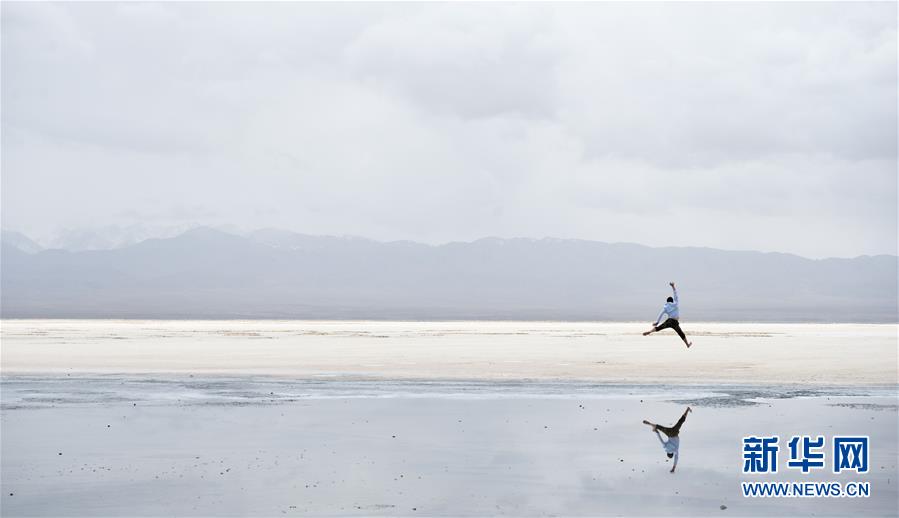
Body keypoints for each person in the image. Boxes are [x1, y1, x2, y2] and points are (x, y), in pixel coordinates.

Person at [643, 407, 692, 473]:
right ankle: (653, 426)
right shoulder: (665, 447)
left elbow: (676, 459)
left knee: (681, 421)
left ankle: (687, 410)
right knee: (659, 427)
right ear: (667, 453)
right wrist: (656, 432)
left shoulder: (675, 450)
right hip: (668, 433)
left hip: (675, 432)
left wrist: (674, 468)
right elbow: (660, 439)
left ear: (672, 454)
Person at [643, 282, 692, 348]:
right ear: (672, 301)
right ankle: (687, 344)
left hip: (669, 321)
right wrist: (673, 286)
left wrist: (657, 322)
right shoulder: (675, 303)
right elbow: (675, 294)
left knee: (658, 328)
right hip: (674, 322)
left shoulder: (665, 307)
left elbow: (661, 314)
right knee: (681, 333)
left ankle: (650, 331)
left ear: (667, 301)